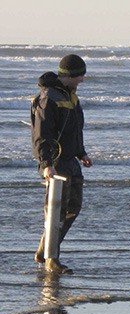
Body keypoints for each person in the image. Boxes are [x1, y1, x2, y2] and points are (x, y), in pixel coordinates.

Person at [31, 54, 92, 274]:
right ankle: (51, 260)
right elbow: (42, 134)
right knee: (55, 211)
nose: (82, 80)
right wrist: (47, 163)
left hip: (71, 161)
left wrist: (81, 153)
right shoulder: (49, 98)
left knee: (73, 208)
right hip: (55, 163)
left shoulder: (71, 96)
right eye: (80, 75)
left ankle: (43, 250)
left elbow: (75, 130)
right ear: (70, 75)